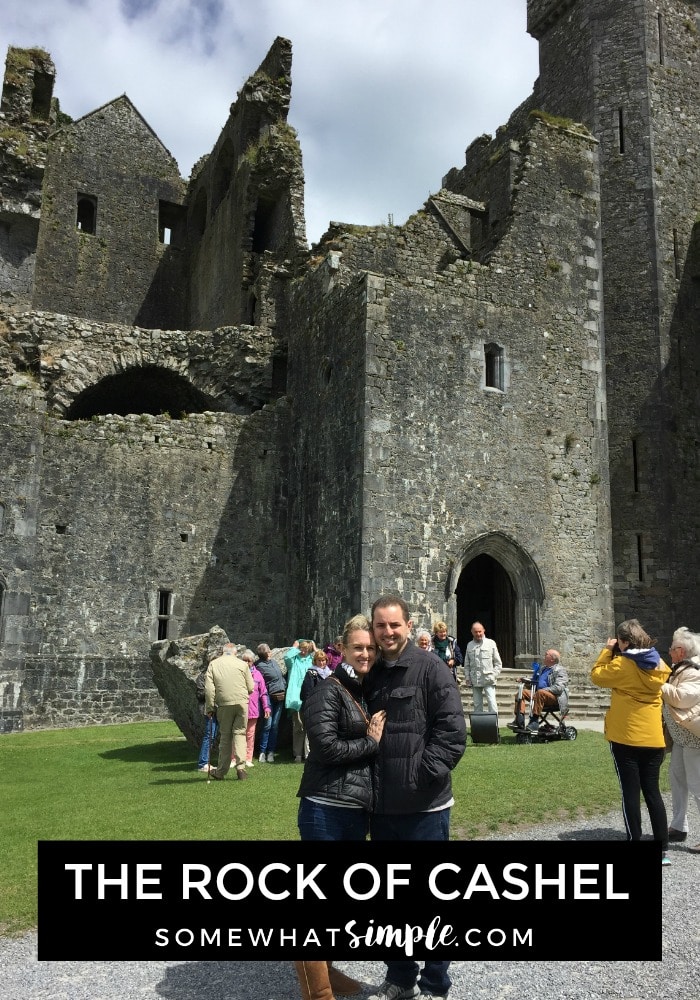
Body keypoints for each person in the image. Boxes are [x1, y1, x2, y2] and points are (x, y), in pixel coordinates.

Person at [365, 595, 467, 1000]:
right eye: (380, 626)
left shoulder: (431, 669)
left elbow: (452, 734)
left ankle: (435, 985)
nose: (387, 632)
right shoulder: (370, 674)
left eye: (394, 625)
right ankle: (401, 977)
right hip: (382, 807)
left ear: (408, 625)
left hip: (425, 807)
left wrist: (419, 776)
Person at [293, 614, 386, 1000]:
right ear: (342, 649)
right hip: (324, 808)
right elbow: (326, 746)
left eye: (370, 648)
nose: (365, 653)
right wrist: (371, 742)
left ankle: (326, 973)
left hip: (352, 809)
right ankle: (318, 992)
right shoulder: (327, 690)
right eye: (358, 647)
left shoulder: (362, 688)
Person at [590, 618, 671, 865]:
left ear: (624, 641)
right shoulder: (658, 662)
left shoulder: (621, 664)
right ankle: (662, 849)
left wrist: (607, 649)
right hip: (653, 738)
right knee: (653, 793)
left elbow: (596, 676)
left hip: (626, 736)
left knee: (630, 793)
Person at [662, 626, 700, 853]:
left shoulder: (694, 671)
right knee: (676, 778)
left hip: (694, 738)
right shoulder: (682, 668)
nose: (668, 651)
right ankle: (678, 826)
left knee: (697, 784)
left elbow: (683, 699)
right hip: (682, 736)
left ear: (681, 651)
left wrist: (658, 684)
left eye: (672, 648)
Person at [204, 642, 254, 781]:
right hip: (242, 703)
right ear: (235, 652)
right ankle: (241, 769)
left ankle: (221, 772)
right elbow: (251, 687)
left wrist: (210, 707)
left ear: (223, 651)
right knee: (240, 734)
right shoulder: (242, 664)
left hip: (224, 703)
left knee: (225, 737)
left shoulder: (214, 664)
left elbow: (209, 690)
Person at [507, 649, 569, 732]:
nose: (544, 656)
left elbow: (559, 688)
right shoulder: (542, 669)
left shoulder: (560, 670)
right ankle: (519, 720)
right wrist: (525, 680)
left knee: (540, 693)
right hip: (539, 695)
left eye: (546, 654)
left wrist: (544, 690)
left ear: (552, 659)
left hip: (555, 698)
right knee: (522, 692)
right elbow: (535, 682)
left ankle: (534, 721)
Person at [285, 639, 316, 762]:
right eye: (302, 649)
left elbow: (322, 660)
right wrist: (294, 647)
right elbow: (287, 657)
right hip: (296, 697)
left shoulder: (311, 661)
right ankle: (297, 754)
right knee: (298, 726)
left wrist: (315, 648)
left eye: (306, 649)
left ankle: (308, 753)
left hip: (309, 696)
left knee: (309, 726)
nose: (303, 651)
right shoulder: (294, 661)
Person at [255, 643, 287, 762]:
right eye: (268, 651)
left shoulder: (273, 662)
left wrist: (284, 685)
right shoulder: (259, 665)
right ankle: (262, 752)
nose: (270, 652)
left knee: (274, 725)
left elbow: (280, 676)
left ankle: (271, 752)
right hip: (268, 697)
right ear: (266, 653)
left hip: (280, 696)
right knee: (267, 725)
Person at [239, 648, 270, 767]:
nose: (247, 663)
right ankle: (234, 758)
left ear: (253, 661)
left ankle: (248, 758)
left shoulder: (257, 674)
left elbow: (263, 692)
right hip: (239, 708)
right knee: (237, 734)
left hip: (253, 709)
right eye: (244, 661)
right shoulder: (238, 673)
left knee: (250, 735)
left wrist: (266, 707)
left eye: (249, 661)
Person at [465, 621, 502, 713]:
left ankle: (494, 725)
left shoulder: (491, 643)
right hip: (475, 679)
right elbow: (467, 664)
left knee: (492, 702)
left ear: (483, 631)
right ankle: (479, 726)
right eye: (476, 632)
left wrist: (494, 675)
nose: (478, 634)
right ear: (472, 632)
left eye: (480, 631)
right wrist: (467, 677)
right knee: (477, 704)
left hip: (488, 679)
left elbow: (498, 663)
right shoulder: (469, 645)